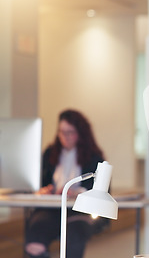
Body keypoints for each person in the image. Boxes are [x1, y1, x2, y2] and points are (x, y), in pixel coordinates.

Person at [25, 109, 106, 258]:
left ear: (80, 133)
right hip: (52, 209)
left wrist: (76, 192)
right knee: (36, 230)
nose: (65, 137)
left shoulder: (94, 157)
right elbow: (41, 182)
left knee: (75, 234)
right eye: (62, 132)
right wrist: (45, 190)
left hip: (79, 211)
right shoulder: (50, 153)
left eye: (70, 132)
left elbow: (98, 190)